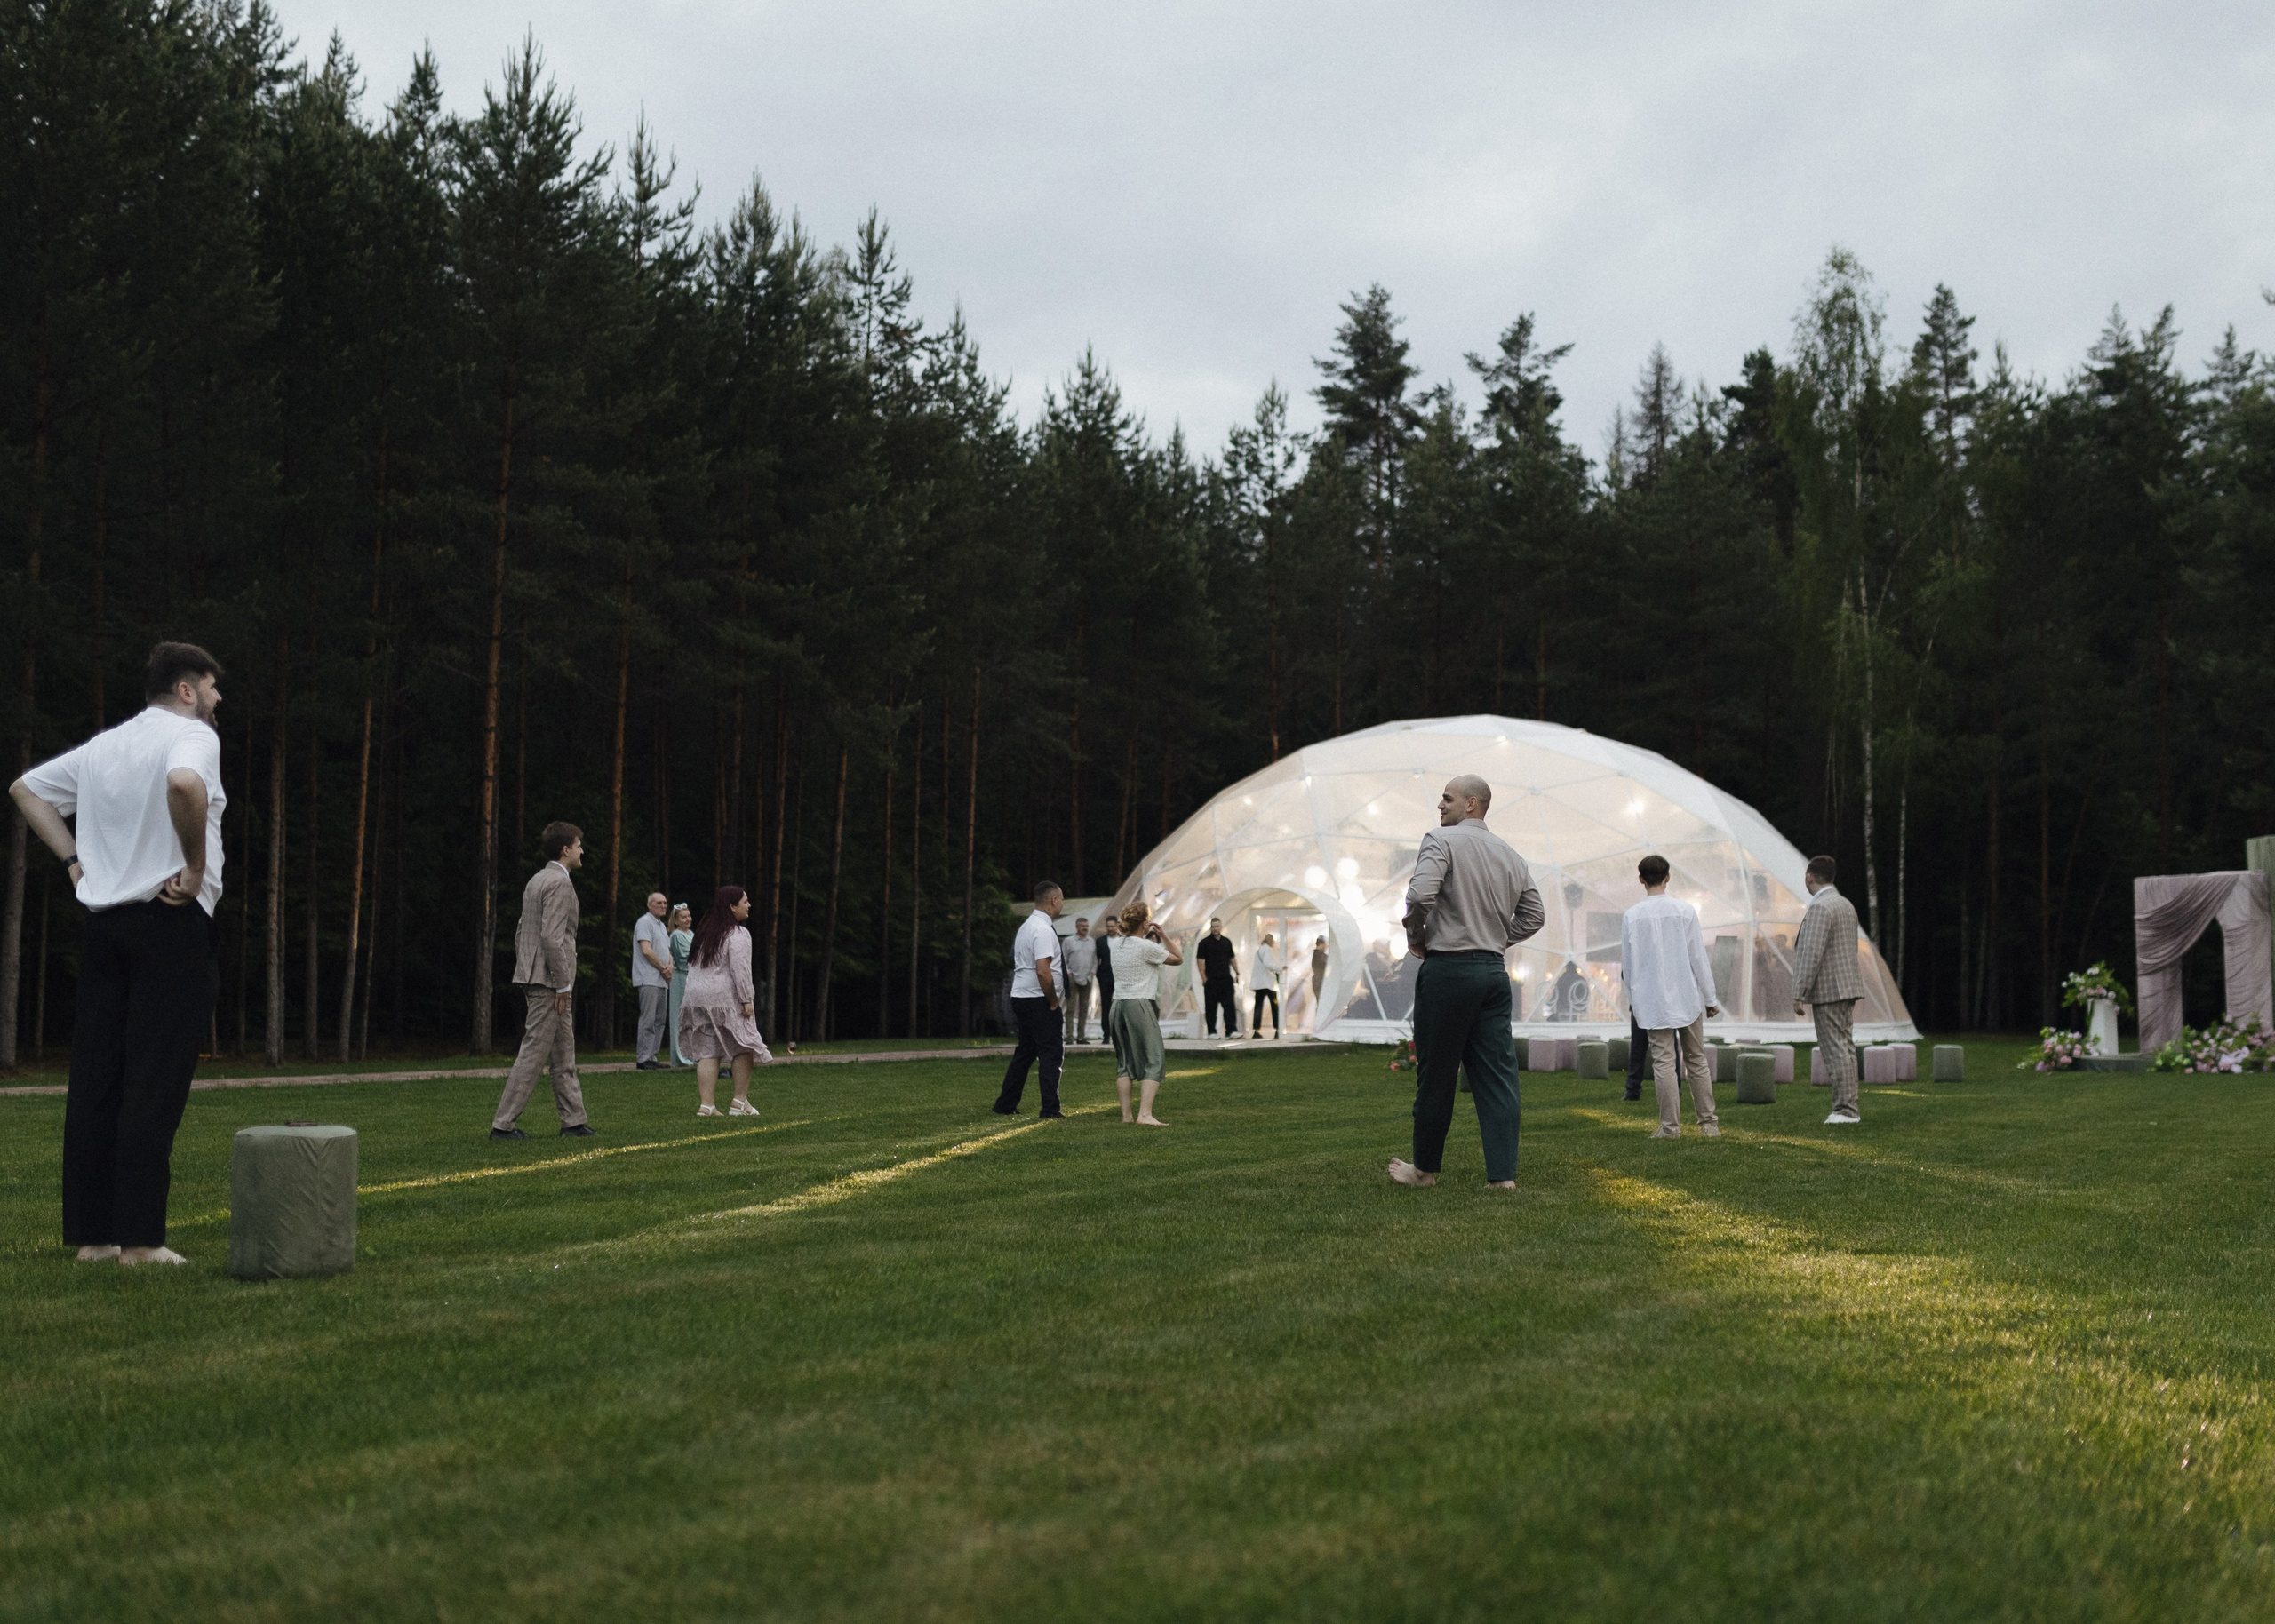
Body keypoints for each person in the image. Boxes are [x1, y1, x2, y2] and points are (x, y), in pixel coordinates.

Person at [10, 641, 228, 1265]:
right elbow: (184, 783)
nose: (217, 703)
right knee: (153, 1080)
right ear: (187, 690)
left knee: (98, 1080)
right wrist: (193, 865)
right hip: (169, 921)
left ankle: (94, 1238)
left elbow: (26, 790)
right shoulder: (192, 738)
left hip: (104, 927)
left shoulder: (107, 745)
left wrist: (75, 863)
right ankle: (140, 1241)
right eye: (212, 690)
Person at [1389, 776, 1543, 1190]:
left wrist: (1416, 938)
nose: (1440, 805)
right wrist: (1494, 938)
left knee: (1436, 1073)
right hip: (1493, 974)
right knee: (1497, 1076)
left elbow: (1420, 895)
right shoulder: (1510, 854)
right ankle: (1502, 1178)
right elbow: (1534, 915)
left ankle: (1423, 1171)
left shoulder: (1442, 840)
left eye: (1448, 798)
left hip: (1449, 972)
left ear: (1472, 804)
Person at [491, 822, 595, 1140]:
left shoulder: (536, 880)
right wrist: (562, 984)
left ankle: (573, 1121)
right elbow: (552, 937)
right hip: (552, 983)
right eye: (578, 845)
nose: (581, 850)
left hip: (539, 978)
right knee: (534, 1053)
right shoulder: (560, 884)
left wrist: (528, 974)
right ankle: (503, 1125)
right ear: (566, 850)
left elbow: (523, 931)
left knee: (564, 1053)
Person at [1620, 854, 1722, 1139]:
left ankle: (1670, 1127)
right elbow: (1698, 958)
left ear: (1641, 879)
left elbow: (1628, 966)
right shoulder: (1684, 911)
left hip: (1652, 1002)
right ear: (1668, 877)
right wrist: (1710, 998)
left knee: (1663, 1062)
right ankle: (1708, 1124)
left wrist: (1635, 1000)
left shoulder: (1631, 916)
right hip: (1687, 997)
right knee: (1696, 1059)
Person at [679, 886, 771, 1115]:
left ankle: (707, 1105)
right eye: (745, 902)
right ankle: (739, 1102)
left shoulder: (703, 933)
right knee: (744, 1045)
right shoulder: (738, 934)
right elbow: (740, 970)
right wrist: (747, 999)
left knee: (708, 1050)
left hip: (696, 998)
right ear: (732, 906)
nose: (749, 905)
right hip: (723, 998)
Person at [1792, 854, 1866, 1126]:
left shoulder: (1821, 908)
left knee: (1835, 1050)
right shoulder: (1845, 904)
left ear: (1809, 877)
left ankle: (1846, 1110)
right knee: (1845, 1048)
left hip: (1829, 990)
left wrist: (1799, 992)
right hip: (1846, 986)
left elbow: (1811, 953)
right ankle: (1849, 1107)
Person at [993, 880, 1066, 1118]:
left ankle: (1005, 1104)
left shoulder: (1026, 926)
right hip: (1038, 999)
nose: (1062, 904)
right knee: (1050, 1052)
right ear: (1053, 900)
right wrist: (1053, 1001)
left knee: (1025, 1053)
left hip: (1021, 996)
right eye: (1061, 899)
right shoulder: (1043, 930)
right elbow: (1043, 970)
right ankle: (1050, 1109)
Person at [1109, 900, 1183, 1125]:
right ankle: (1145, 1114)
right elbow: (1178, 958)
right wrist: (1163, 935)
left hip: (1117, 1005)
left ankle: (1127, 1116)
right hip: (1138, 1004)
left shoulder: (1116, 945)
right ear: (1144, 923)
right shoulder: (1145, 947)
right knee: (1155, 1058)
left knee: (1124, 1061)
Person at [631, 891, 673, 1069]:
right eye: (658, 903)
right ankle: (643, 1058)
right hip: (648, 978)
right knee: (647, 1019)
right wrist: (663, 968)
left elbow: (668, 951)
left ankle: (652, 1057)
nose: (663, 905)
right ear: (649, 905)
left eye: (664, 903)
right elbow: (646, 950)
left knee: (659, 1020)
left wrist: (670, 966)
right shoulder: (644, 922)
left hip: (662, 979)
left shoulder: (662, 927)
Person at [1194, 917, 1238, 1037]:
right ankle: (1212, 1032)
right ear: (1210, 928)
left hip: (1226, 978)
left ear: (1221, 927)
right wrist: (1204, 978)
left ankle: (1231, 1030)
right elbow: (1200, 960)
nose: (1215, 929)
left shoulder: (1226, 942)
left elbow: (1232, 958)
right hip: (1211, 980)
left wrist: (1237, 972)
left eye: (1217, 926)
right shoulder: (1204, 943)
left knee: (1229, 1005)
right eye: (1213, 927)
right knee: (1211, 1007)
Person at [665, 904, 694, 1066]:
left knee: (690, 1017)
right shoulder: (676, 935)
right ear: (676, 921)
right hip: (681, 977)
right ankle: (680, 1056)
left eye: (689, 916)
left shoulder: (691, 934)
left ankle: (691, 1053)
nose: (688, 919)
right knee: (679, 1016)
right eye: (684, 917)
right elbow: (685, 957)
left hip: (691, 977)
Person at [1062, 913, 1098, 1044]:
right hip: (1072, 978)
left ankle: (1081, 1036)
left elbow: (1095, 959)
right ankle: (1069, 1036)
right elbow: (1063, 958)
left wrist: (1093, 972)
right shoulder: (1069, 941)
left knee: (1084, 1008)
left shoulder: (1092, 942)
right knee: (1070, 1008)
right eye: (1083, 926)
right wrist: (1068, 972)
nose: (1085, 928)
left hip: (1087, 978)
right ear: (1077, 927)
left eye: (1087, 926)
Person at [1250, 932, 1282, 1039]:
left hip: (1259, 984)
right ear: (1270, 941)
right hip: (1268, 983)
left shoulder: (1259, 950)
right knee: (1274, 1006)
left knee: (1258, 1007)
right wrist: (1280, 968)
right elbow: (1267, 963)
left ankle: (1256, 1030)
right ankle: (1278, 1029)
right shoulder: (1268, 950)